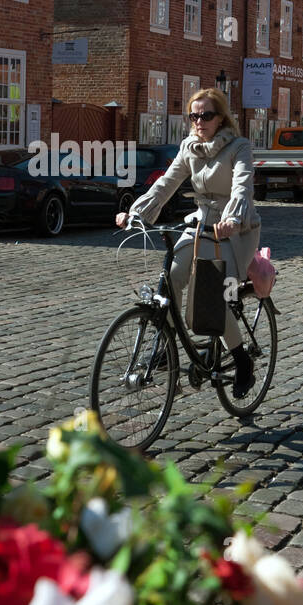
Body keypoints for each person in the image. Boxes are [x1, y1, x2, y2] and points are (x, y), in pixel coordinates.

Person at [116, 88, 261, 398]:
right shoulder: (189, 147)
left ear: (221, 118)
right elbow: (166, 182)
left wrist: (232, 218)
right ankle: (166, 349)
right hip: (200, 225)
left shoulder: (239, 147)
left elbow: (242, 186)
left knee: (211, 298)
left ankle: (242, 360)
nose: (199, 121)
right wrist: (136, 213)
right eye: (193, 116)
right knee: (171, 279)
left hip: (233, 230)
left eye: (206, 115)